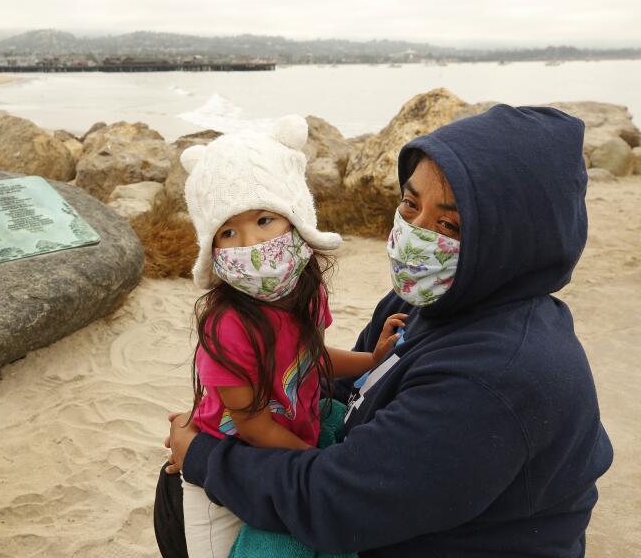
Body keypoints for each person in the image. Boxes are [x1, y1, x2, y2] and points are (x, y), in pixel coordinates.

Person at [156, 105, 614, 557]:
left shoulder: (495, 377)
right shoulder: (424, 301)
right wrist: (242, 406)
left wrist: (204, 457)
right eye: (410, 204)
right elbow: (336, 381)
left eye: (448, 224)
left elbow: (336, 503)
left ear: (515, 238)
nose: (414, 234)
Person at [173, 115, 407, 558]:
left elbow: (311, 359)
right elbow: (254, 424)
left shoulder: (306, 292)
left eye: (264, 219)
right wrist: (316, 469)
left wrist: (371, 360)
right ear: (212, 247)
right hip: (224, 471)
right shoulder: (227, 325)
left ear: (296, 220)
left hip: (289, 446)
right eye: (228, 231)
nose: (250, 243)